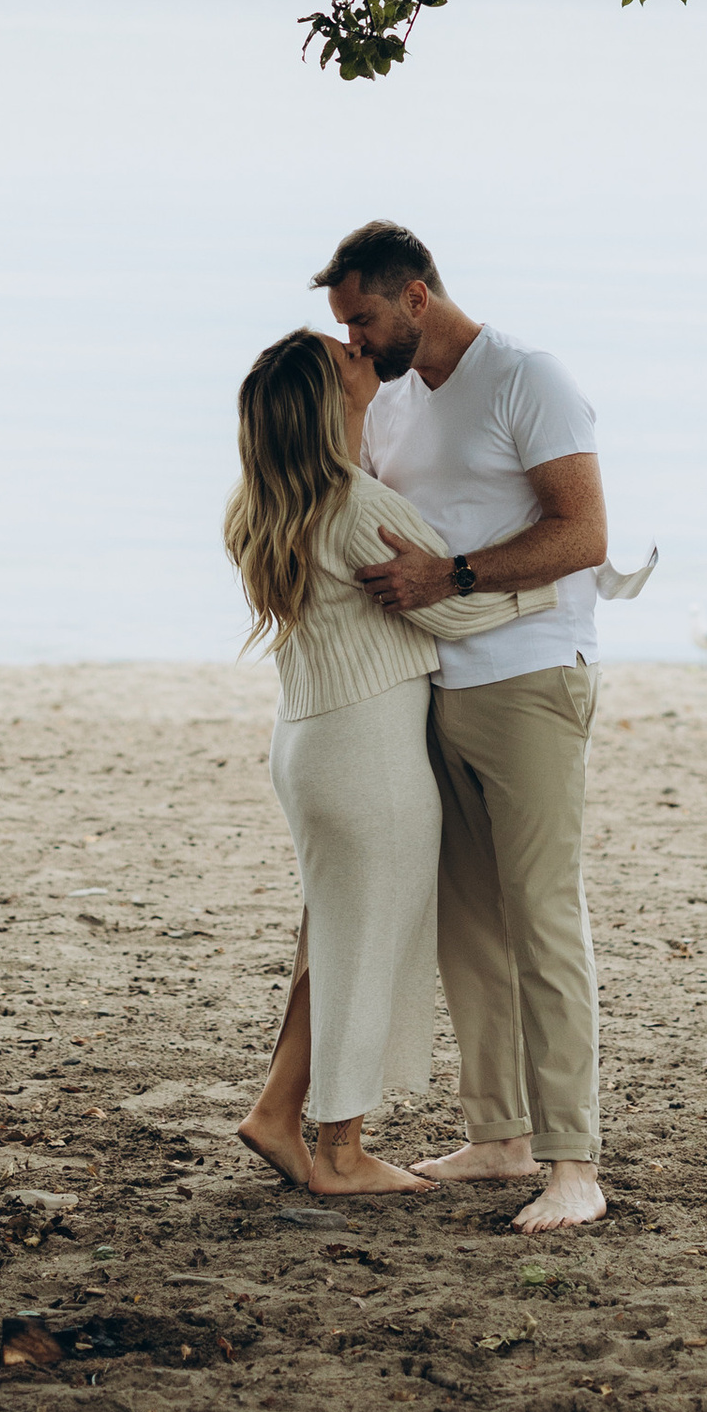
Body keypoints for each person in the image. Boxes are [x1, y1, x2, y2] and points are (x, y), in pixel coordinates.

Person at [316, 220, 621, 1234]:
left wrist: (450, 574)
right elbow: (360, 501)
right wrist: (353, 408)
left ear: (415, 296)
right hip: (431, 683)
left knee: (541, 918)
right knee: (469, 928)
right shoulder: (391, 395)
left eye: (362, 319)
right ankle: (501, 1135)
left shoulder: (526, 377)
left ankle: (574, 1165)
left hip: (532, 677)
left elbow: (583, 533)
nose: (354, 340)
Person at [225, 328, 554, 1198]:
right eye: (347, 360)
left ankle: (274, 1111)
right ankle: (340, 1153)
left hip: (305, 747)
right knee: (365, 950)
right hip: (368, 756)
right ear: (330, 402)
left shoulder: (259, 504)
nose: (363, 354)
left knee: (330, 945)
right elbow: (450, 610)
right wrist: (557, 582)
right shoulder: (356, 505)